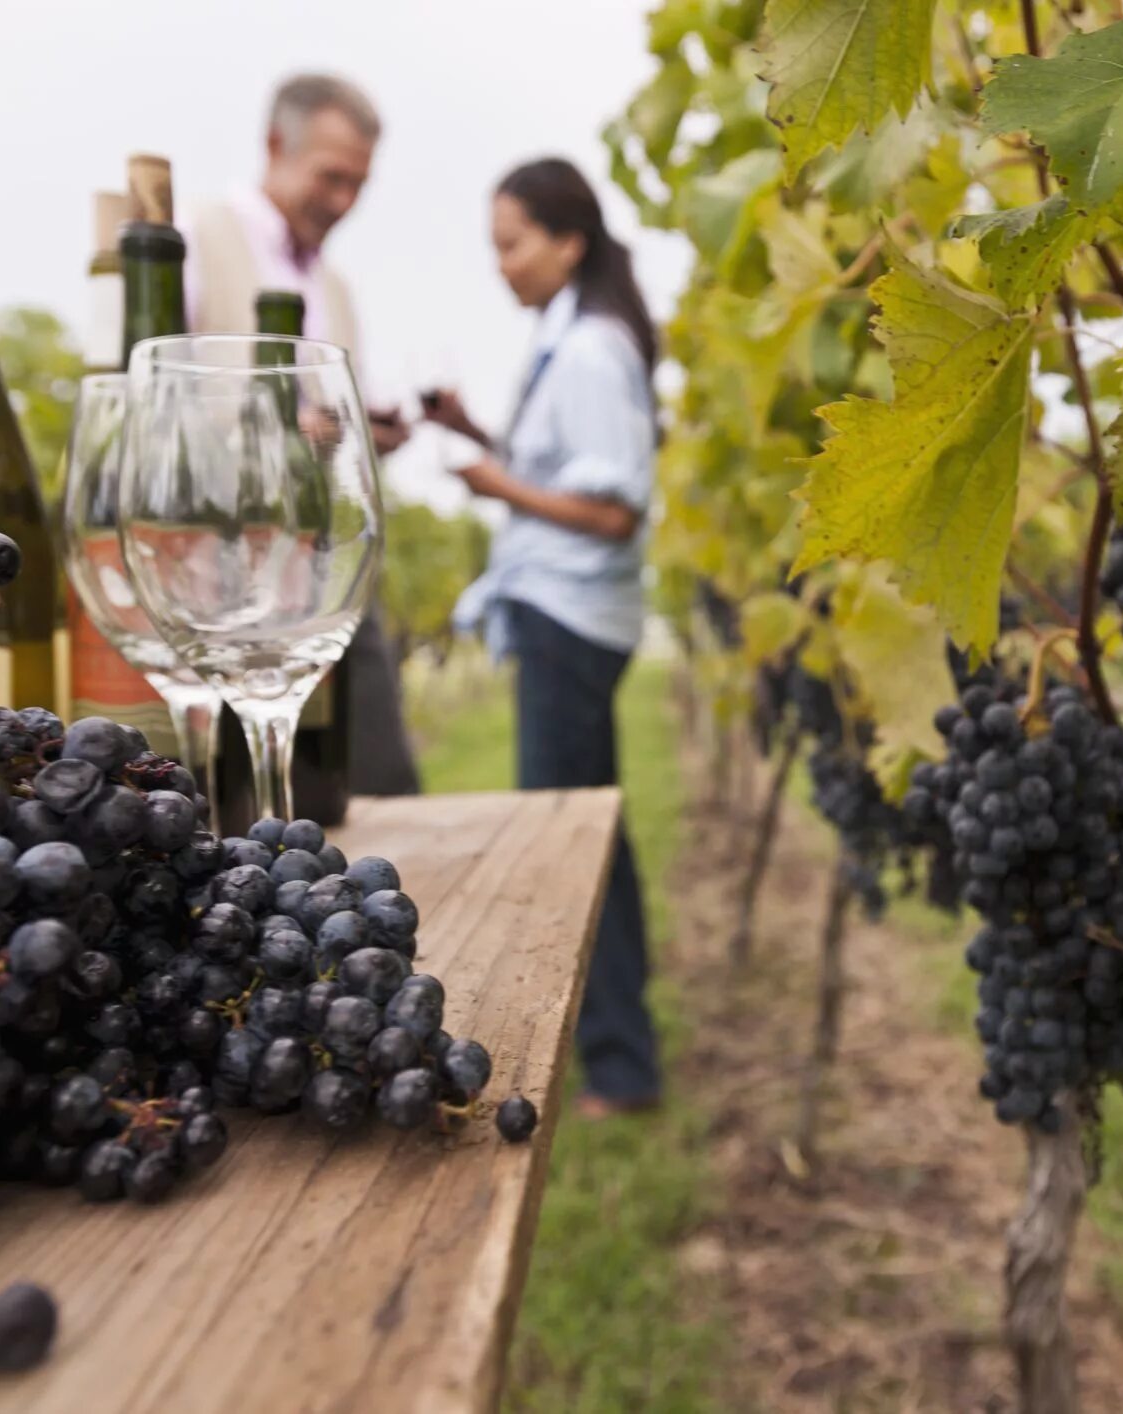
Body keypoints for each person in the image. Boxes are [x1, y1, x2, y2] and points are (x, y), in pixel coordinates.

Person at [423, 157, 661, 1116]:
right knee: (593, 834)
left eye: (511, 244)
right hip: (559, 614)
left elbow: (613, 513)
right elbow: (570, 471)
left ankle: (618, 1064)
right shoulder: (569, 344)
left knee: (572, 844)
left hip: (570, 619)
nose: (501, 266)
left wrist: (496, 487)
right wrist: (474, 432)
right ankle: (620, 1055)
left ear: (568, 242)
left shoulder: (595, 349)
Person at [181, 72, 421, 800]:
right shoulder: (200, 242)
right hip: (226, 582)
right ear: (275, 144)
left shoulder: (337, 286)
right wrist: (272, 428)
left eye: (359, 184)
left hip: (328, 569)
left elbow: (328, 419)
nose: (344, 201)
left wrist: (357, 432)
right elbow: (161, 411)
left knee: (375, 787)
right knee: (243, 803)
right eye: (331, 177)